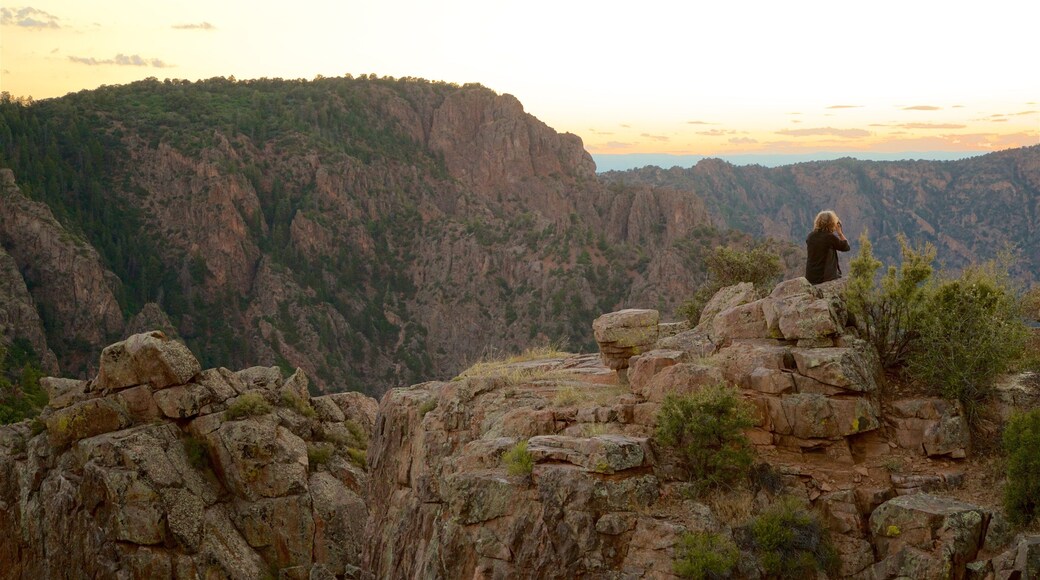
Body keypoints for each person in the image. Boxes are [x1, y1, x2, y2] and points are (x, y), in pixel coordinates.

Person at [805, 210, 850, 284]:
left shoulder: (810, 236)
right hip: (825, 278)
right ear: (832, 223)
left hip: (810, 277)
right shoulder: (829, 237)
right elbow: (846, 247)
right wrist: (840, 233)